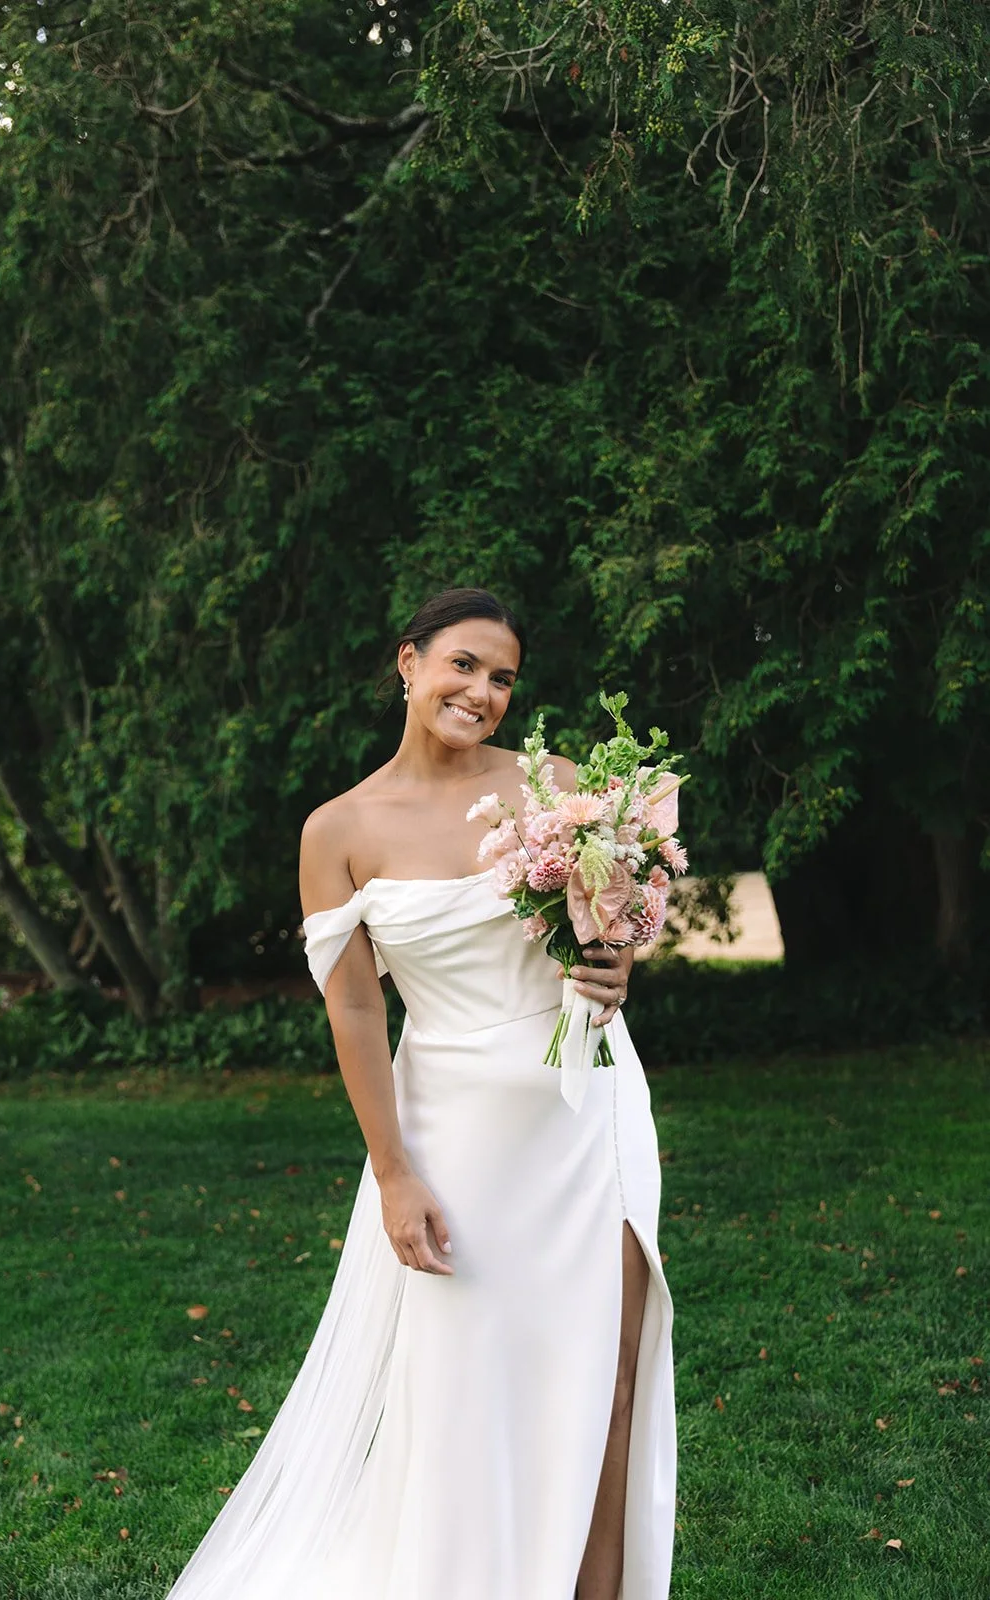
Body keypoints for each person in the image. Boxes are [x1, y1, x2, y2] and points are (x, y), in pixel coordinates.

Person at [164, 587, 676, 1600]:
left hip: (587, 1104)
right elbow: (355, 1013)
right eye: (462, 665)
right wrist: (393, 1173)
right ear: (407, 663)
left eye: (501, 678)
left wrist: (615, 960)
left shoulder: (561, 788)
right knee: (464, 1388)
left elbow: (608, 930)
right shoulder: (338, 830)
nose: (480, 692)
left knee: (606, 1371)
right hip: (454, 1126)